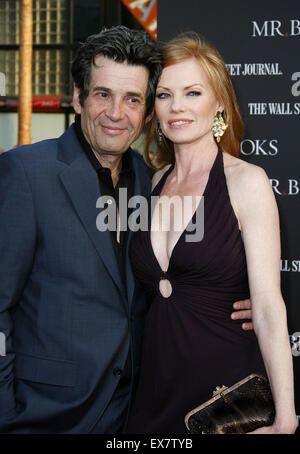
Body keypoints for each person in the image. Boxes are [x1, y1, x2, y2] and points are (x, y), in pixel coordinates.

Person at [0, 26, 253, 434]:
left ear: (148, 111)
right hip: (44, 415)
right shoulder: (26, 173)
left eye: (132, 99)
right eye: (103, 94)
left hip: (133, 413)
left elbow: (171, 279)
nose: (117, 113)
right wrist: (7, 413)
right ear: (79, 98)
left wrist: (238, 304)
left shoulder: (151, 181)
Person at [126, 32, 297, 434]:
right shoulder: (151, 184)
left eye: (192, 92)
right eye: (164, 95)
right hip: (153, 391)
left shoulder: (246, 182)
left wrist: (286, 419)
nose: (177, 107)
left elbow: (269, 308)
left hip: (223, 399)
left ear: (218, 102)